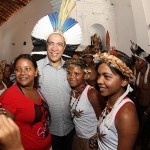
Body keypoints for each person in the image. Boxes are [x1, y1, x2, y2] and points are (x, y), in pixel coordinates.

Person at [31, 0, 82, 149]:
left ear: (64, 47)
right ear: (46, 45)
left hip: (71, 129)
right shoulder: (36, 69)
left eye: (59, 44)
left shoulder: (70, 69)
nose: (54, 48)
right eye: (51, 43)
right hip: (47, 131)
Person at [0, 54, 52, 150]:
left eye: (27, 69)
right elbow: (4, 136)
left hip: (47, 145)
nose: (22, 73)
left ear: (36, 72)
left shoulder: (35, 89)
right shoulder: (9, 97)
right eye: (18, 69)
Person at [94, 51, 139, 150]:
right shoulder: (111, 100)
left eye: (107, 76)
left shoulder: (126, 113)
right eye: (99, 75)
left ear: (124, 81)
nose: (99, 81)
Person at [64, 58, 104, 150]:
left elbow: (102, 119)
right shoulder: (73, 92)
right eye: (69, 73)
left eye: (76, 74)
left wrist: (96, 138)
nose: (71, 77)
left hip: (91, 140)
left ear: (85, 76)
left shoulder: (91, 94)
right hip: (78, 137)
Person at [130, 40, 150, 149]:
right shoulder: (136, 72)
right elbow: (136, 90)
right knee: (138, 129)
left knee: (146, 132)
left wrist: (147, 112)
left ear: (145, 62)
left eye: (138, 61)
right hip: (139, 106)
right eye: (136, 60)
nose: (136, 63)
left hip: (148, 108)